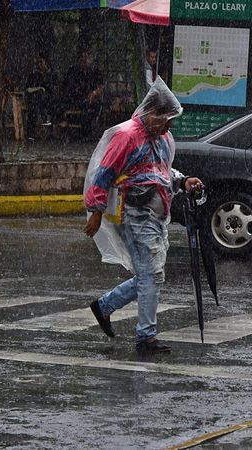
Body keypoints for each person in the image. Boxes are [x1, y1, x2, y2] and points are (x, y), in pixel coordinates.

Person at [83, 77, 203, 354]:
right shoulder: (127, 137)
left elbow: (161, 172)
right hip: (135, 213)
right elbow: (104, 174)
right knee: (151, 275)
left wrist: (183, 182)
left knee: (151, 276)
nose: (170, 125)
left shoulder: (163, 139)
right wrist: (96, 212)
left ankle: (104, 307)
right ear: (152, 114)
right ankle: (146, 336)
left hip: (156, 216)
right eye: (167, 118)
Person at [59, 50, 104, 139]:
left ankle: (87, 131)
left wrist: (94, 93)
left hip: (89, 98)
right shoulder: (73, 72)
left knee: (93, 106)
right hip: (75, 97)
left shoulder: (94, 72)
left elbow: (100, 87)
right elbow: (67, 86)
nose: (84, 61)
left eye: (86, 59)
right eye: (82, 59)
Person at [25, 52, 58, 141]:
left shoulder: (52, 75)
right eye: (38, 62)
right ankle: (31, 134)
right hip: (35, 101)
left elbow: (54, 89)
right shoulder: (33, 75)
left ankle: (50, 133)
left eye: (41, 62)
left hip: (49, 101)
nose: (39, 65)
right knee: (34, 107)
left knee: (53, 107)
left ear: (46, 63)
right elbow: (28, 89)